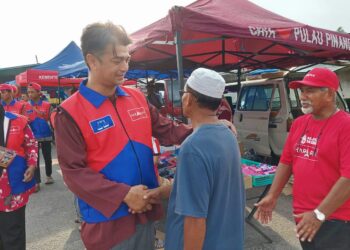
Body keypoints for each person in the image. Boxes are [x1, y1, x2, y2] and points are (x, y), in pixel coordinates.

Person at [54, 22, 192, 250]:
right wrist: (124, 194)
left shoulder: (136, 97)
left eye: (127, 59)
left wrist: (207, 130)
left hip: (146, 208)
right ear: (92, 60)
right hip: (108, 223)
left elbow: (168, 130)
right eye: (117, 60)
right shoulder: (69, 113)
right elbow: (73, 173)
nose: (125, 67)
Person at [144, 68, 245, 250]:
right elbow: (209, 187)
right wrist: (163, 192)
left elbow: (195, 220)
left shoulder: (193, 147)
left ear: (189, 98)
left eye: (183, 93)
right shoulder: (228, 134)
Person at [255, 67, 350, 250]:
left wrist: (319, 214)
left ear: (329, 94)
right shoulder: (299, 123)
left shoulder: (346, 126)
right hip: (303, 216)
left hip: (335, 219)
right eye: (301, 91)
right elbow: (286, 161)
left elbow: (348, 179)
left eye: (310, 90)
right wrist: (272, 195)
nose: (303, 96)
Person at [0, 105, 38, 250]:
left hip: (12, 188)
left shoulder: (18, 121)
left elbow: (31, 144)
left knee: (13, 234)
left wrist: (32, 165)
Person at [27, 82, 54, 191]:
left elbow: (52, 121)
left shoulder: (47, 105)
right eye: (28, 92)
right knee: (35, 160)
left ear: (39, 93)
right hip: (33, 137)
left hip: (46, 135)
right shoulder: (25, 105)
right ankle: (36, 182)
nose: (30, 94)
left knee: (48, 157)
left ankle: (49, 175)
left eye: (32, 92)